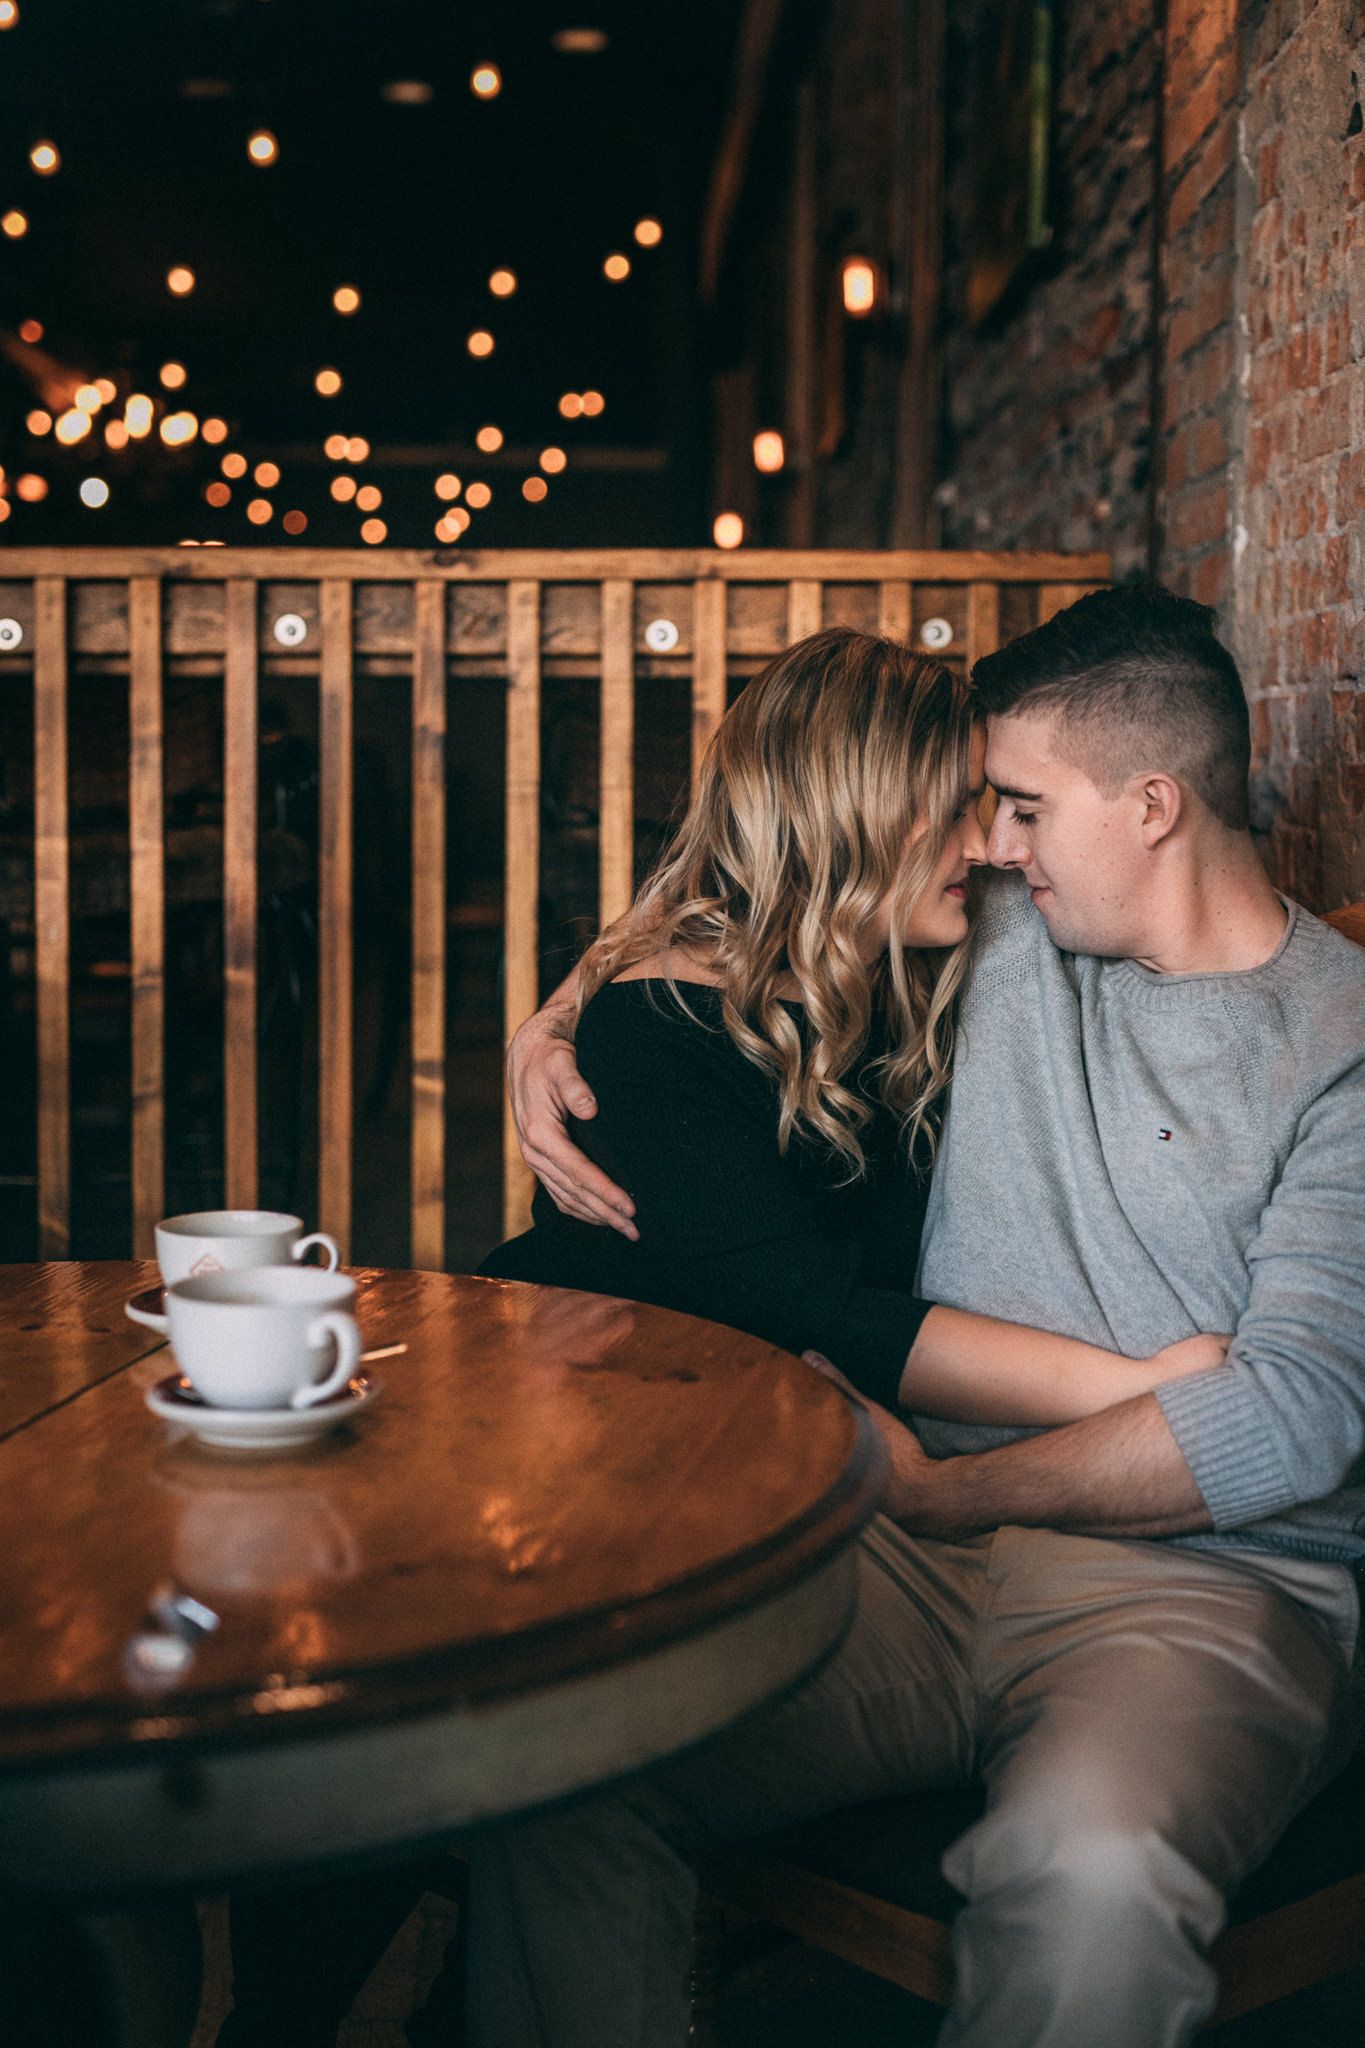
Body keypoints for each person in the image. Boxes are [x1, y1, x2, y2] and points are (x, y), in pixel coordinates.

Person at [470, 585, 1365, 2048]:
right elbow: (760, 888)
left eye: (1013, 806)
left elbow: (1292, 1415)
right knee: (564, 1751)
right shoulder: (1007, 927)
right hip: (907, 1558)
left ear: (1148, 807)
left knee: (1091, 1876)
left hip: (1201, 1585)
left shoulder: (1340, 1048)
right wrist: (559, 1021)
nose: (986, 843)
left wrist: (951, 1495)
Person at [482, 625, 1226, 1424]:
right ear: (848, 819)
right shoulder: (654, 1038)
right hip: (599, 1419)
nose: (985, 845)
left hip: (765, 1429)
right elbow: (816, 1315)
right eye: (950, 813)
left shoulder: (913, 962)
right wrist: (1136, 1388)